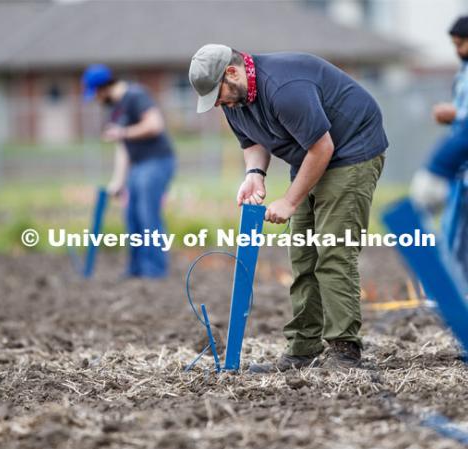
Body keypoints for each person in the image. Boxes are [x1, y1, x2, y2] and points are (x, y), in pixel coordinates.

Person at [189, 44, 388, 371]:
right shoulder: (234, 98)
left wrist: (290, 200)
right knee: (302, 254)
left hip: (351, 151)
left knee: (333, 251)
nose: (218, 104)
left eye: (218, 95)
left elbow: (322, 147)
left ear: (232, 72)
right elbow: (252, 142)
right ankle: (302, 349)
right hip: (310, 155)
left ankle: (344, 350)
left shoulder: (283, 88)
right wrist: (254, 174)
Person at [81, 64, 176, 278]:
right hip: (138, 165)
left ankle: (155, 270)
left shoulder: (136, 95)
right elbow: (123, 147)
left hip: (157, 161)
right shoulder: (114, 109)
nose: (95, 100)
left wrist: (123, 131)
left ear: (102, 88)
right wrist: (118, 181)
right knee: (131, 214)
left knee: (148, 214)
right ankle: (136, 269)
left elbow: (155, 124)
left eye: (95, 94)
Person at [411, 16, 468, 278]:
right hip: (461, 169)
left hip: (456, 167)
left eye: (462, 43)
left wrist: (438, 168)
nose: (459, 50)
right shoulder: (463, 71)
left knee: (456, 236)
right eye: (455, 44)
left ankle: (454, 294)